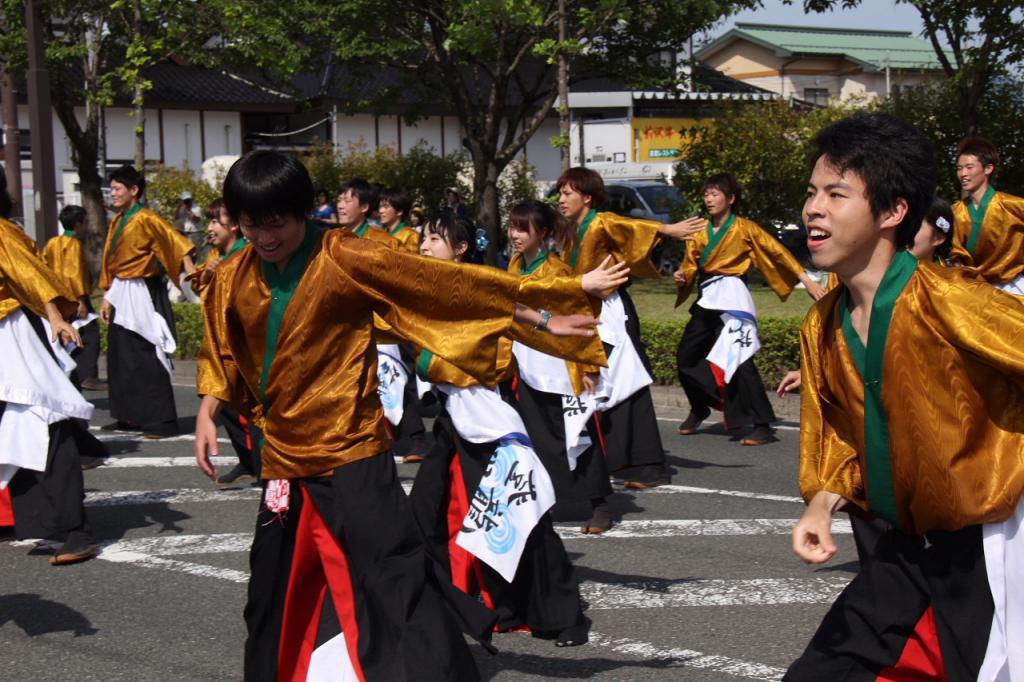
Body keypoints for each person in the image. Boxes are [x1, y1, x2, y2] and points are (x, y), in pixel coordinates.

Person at [193, 150, 615, 681]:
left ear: (303, 211)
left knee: (391, 577)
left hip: (351, 449)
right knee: (271, 590)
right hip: (283, 455)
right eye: (252, 223)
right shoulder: (232, 276)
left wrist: (550, 312)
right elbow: (224, 353)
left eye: (276, 221)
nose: (265, 235)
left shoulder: (344, 254)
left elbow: (445, 290)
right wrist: (208, 410)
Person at [787, 112, 1024, 680]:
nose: (813, 208)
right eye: (813, 192)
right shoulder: (820, 325)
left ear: (893, 212)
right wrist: (822, 505)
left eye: (836, 194)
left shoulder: (954, 302)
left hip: (988, 552)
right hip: (902, 551)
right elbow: (838, 436)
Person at [409, 211, 612, 647]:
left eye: (434, 238)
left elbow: (518, 302)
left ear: (461, 248)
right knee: (425, 513)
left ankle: (564, 614)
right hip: (453, 419)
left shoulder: (479, 286)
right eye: (422, 238)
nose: (423, 245)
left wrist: (568, 300)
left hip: (489, 419)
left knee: (524, 519)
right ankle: (452, 604)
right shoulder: (420, 290)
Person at [555, 167, 703, 500]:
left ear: (587, 197)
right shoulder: (570, 231)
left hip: (612, 313)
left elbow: (631, 226)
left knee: (627, 385)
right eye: (561, 193)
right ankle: (620, 459)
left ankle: (650, 464)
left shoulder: (601, 221)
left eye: (567, 193)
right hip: (588, 312)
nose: (561, 199)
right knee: (601, 386)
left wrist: (667, 228)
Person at [674, 173, 825, 446]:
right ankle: (702, 405)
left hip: (733, 299)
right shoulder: (699, 231)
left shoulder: (745, 228)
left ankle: (762, 424)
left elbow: (777, 251)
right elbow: (689, 264)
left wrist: (807, 280)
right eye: (706, 194)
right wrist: (682, 275)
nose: (709, 199)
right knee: (686, 357)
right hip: (708, 297)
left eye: (715, 194)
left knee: (741, 362)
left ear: (730, 199)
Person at [0, 171, 100, 565]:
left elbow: (31, 276)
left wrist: (58, 317)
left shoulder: (2, 232)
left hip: (10, 336)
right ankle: (48, 523)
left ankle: (76, 527)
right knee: (17, 434)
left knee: (45, 425)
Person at [504, 200, 614, 534]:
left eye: (523, 228)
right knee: (535, 436)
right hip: (525, 361)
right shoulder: (513, 264)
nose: (515, 234)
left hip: (559, 364)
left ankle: (600, 504)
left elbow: (582, 318)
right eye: (512, 226)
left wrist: (590, 365)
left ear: (545, 233)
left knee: (576, 432)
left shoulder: (558, 270)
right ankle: (543, 501)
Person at [100, 165, 196, 438]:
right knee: (120, 356)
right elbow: (110, 262)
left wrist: (192, 274)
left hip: (143, 290)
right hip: (121, 289)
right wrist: (107, 295)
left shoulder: (147, 218)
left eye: (118, 188)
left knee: (145, 353)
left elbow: (174, 242)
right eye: (113, 189)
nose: (114, 193)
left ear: (134, 190)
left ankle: (161, 420)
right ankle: (129, 415)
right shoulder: (118, 220)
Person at [187, 198, 257, 487]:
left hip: (243, 346)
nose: (212, 227)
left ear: (235, 226)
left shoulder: (246, 255)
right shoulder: (218, 255)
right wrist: (208, 273)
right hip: (221, 343)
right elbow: (196, 284)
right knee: (227, 408)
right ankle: (248, 460)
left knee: (247, 410)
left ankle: (263, 464)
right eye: (211, 221)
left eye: (217, 221)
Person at [42, 205, 105, 391]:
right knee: (90, 335)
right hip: (74, 298)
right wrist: (81, 300)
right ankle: (88, 375)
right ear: (78, 225)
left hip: (56, 299)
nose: (87, 226)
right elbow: (73, 273)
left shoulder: (53, 242)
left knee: (65, 337)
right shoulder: (75, 244)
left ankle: (68, 376)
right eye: (85, 222)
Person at [949, 136, 1024, 294]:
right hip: (973, 288)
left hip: (1013, 287)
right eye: (959, 168)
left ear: (988, 169)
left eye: (969, 167)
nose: (963, 173)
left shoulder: (1011, 205)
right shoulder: (955, 211)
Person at [335, 178, 398, 247]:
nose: (340, 206)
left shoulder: (383, 241)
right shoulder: (334, 238)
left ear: (364, 207)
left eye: (347, 201)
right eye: (339, 200)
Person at [379, 186, 421, 253]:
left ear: (399, 211)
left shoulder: (411, 236)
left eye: (386, 207)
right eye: (380, 206)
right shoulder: (381, 234)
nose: (381, 211)